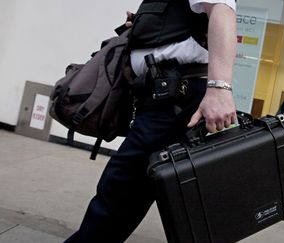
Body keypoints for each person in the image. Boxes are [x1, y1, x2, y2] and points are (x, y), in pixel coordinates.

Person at [64, 1, 237, 242]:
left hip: (177, 96)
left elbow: (223, 10)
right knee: (135, 189)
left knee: (122, 186)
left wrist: (220, 88)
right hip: (161, 96)